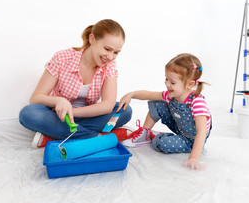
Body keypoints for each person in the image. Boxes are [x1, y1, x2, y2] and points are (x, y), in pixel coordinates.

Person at [19, 19, 133, 148]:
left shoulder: (110, 65)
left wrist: (72, 112)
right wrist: (58, 102)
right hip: (58, 117)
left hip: (87, 116)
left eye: (116, 52)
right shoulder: (62, 58)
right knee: (28, 113)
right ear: (92, 39)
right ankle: (95, 137)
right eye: (107, 49)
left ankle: (53, 136)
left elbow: (107, 105)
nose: (110, 57)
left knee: (125, 110)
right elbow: (36, 98)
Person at [117, 53, 212, 170]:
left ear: (190, 84)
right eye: (166, 79)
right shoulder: (171, 95)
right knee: (156, 101)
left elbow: (201, 132)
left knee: (163, 144)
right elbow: (149, 94)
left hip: (193, 139)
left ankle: (159, 137)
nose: (167, 84)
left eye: (172, 82)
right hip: (180, 129)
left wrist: (194, 157)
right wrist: (131, 94)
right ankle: (145, 133)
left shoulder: (197, 103)